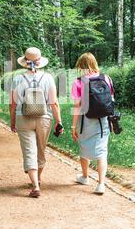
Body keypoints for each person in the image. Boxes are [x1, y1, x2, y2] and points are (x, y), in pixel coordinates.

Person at [10, 47, 63, 198]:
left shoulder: (17, 79)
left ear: (25, 62)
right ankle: (38, 179)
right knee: (40, 149)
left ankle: (35, 185)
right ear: (40, 62)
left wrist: (13, 121)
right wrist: (58, 121)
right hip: (44, 118)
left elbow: (13, 105)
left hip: (23, 117)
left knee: (29, 151)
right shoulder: (48, 78)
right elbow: (54, 103)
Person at [71, 52, 114, 195]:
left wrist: (73, 126)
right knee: (102, 152)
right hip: (103, 120)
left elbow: (77, 106)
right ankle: (101, 184)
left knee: (84, 148)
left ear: (80, 66)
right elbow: (111, 100)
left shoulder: (78, 82)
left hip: (86, 120)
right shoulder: (106, 78)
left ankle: (85, 177)